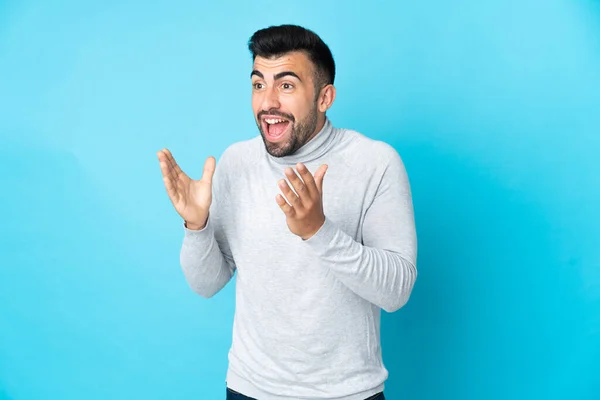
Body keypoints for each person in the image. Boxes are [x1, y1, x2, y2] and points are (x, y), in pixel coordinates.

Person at [157, 24, 417, 400]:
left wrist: (319, 232)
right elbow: (206, 283)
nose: (268, 103)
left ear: (325, 97)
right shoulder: (237, 162)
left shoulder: (375, 163)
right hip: (249, 389)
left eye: (287, 85)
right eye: (259, 84)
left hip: (346, 394)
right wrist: (196, 226)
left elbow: (396, 291)